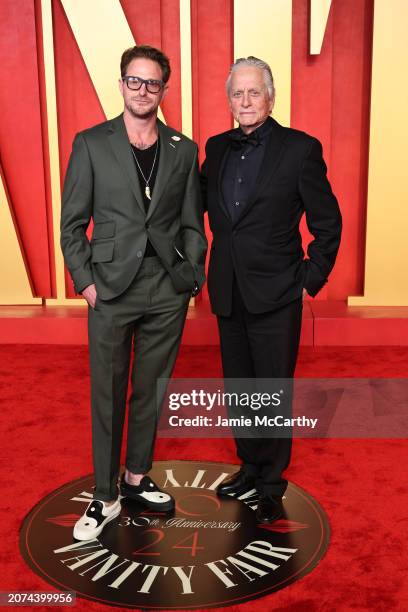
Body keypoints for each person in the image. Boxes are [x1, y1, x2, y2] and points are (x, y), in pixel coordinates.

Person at [61, 45, 207, 540]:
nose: (143, 91)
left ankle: (135, 477)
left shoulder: (183, 148)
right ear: (121, 84)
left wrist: (190, 274)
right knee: (108, 393)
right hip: (110, 289)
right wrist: (86, 283)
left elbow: (192, 222)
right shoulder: (91, 143)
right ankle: (104, 495)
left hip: (166, 287)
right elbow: (72, 224)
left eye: (153, 83)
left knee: (152, 388)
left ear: (164, 89)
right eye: (134, 81)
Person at [201, 56, 341, 523]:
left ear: (270, 97)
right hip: (227, 288)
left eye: (253, 92)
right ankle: (248, 465)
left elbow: (328, 223)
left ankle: (271, 480)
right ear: (229, 101)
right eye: (237, 94)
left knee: (271, 390)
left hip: (278, 292)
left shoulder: (300, 149)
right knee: (240, 389)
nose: (244, 101)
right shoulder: (216, 148)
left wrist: (309, 280)